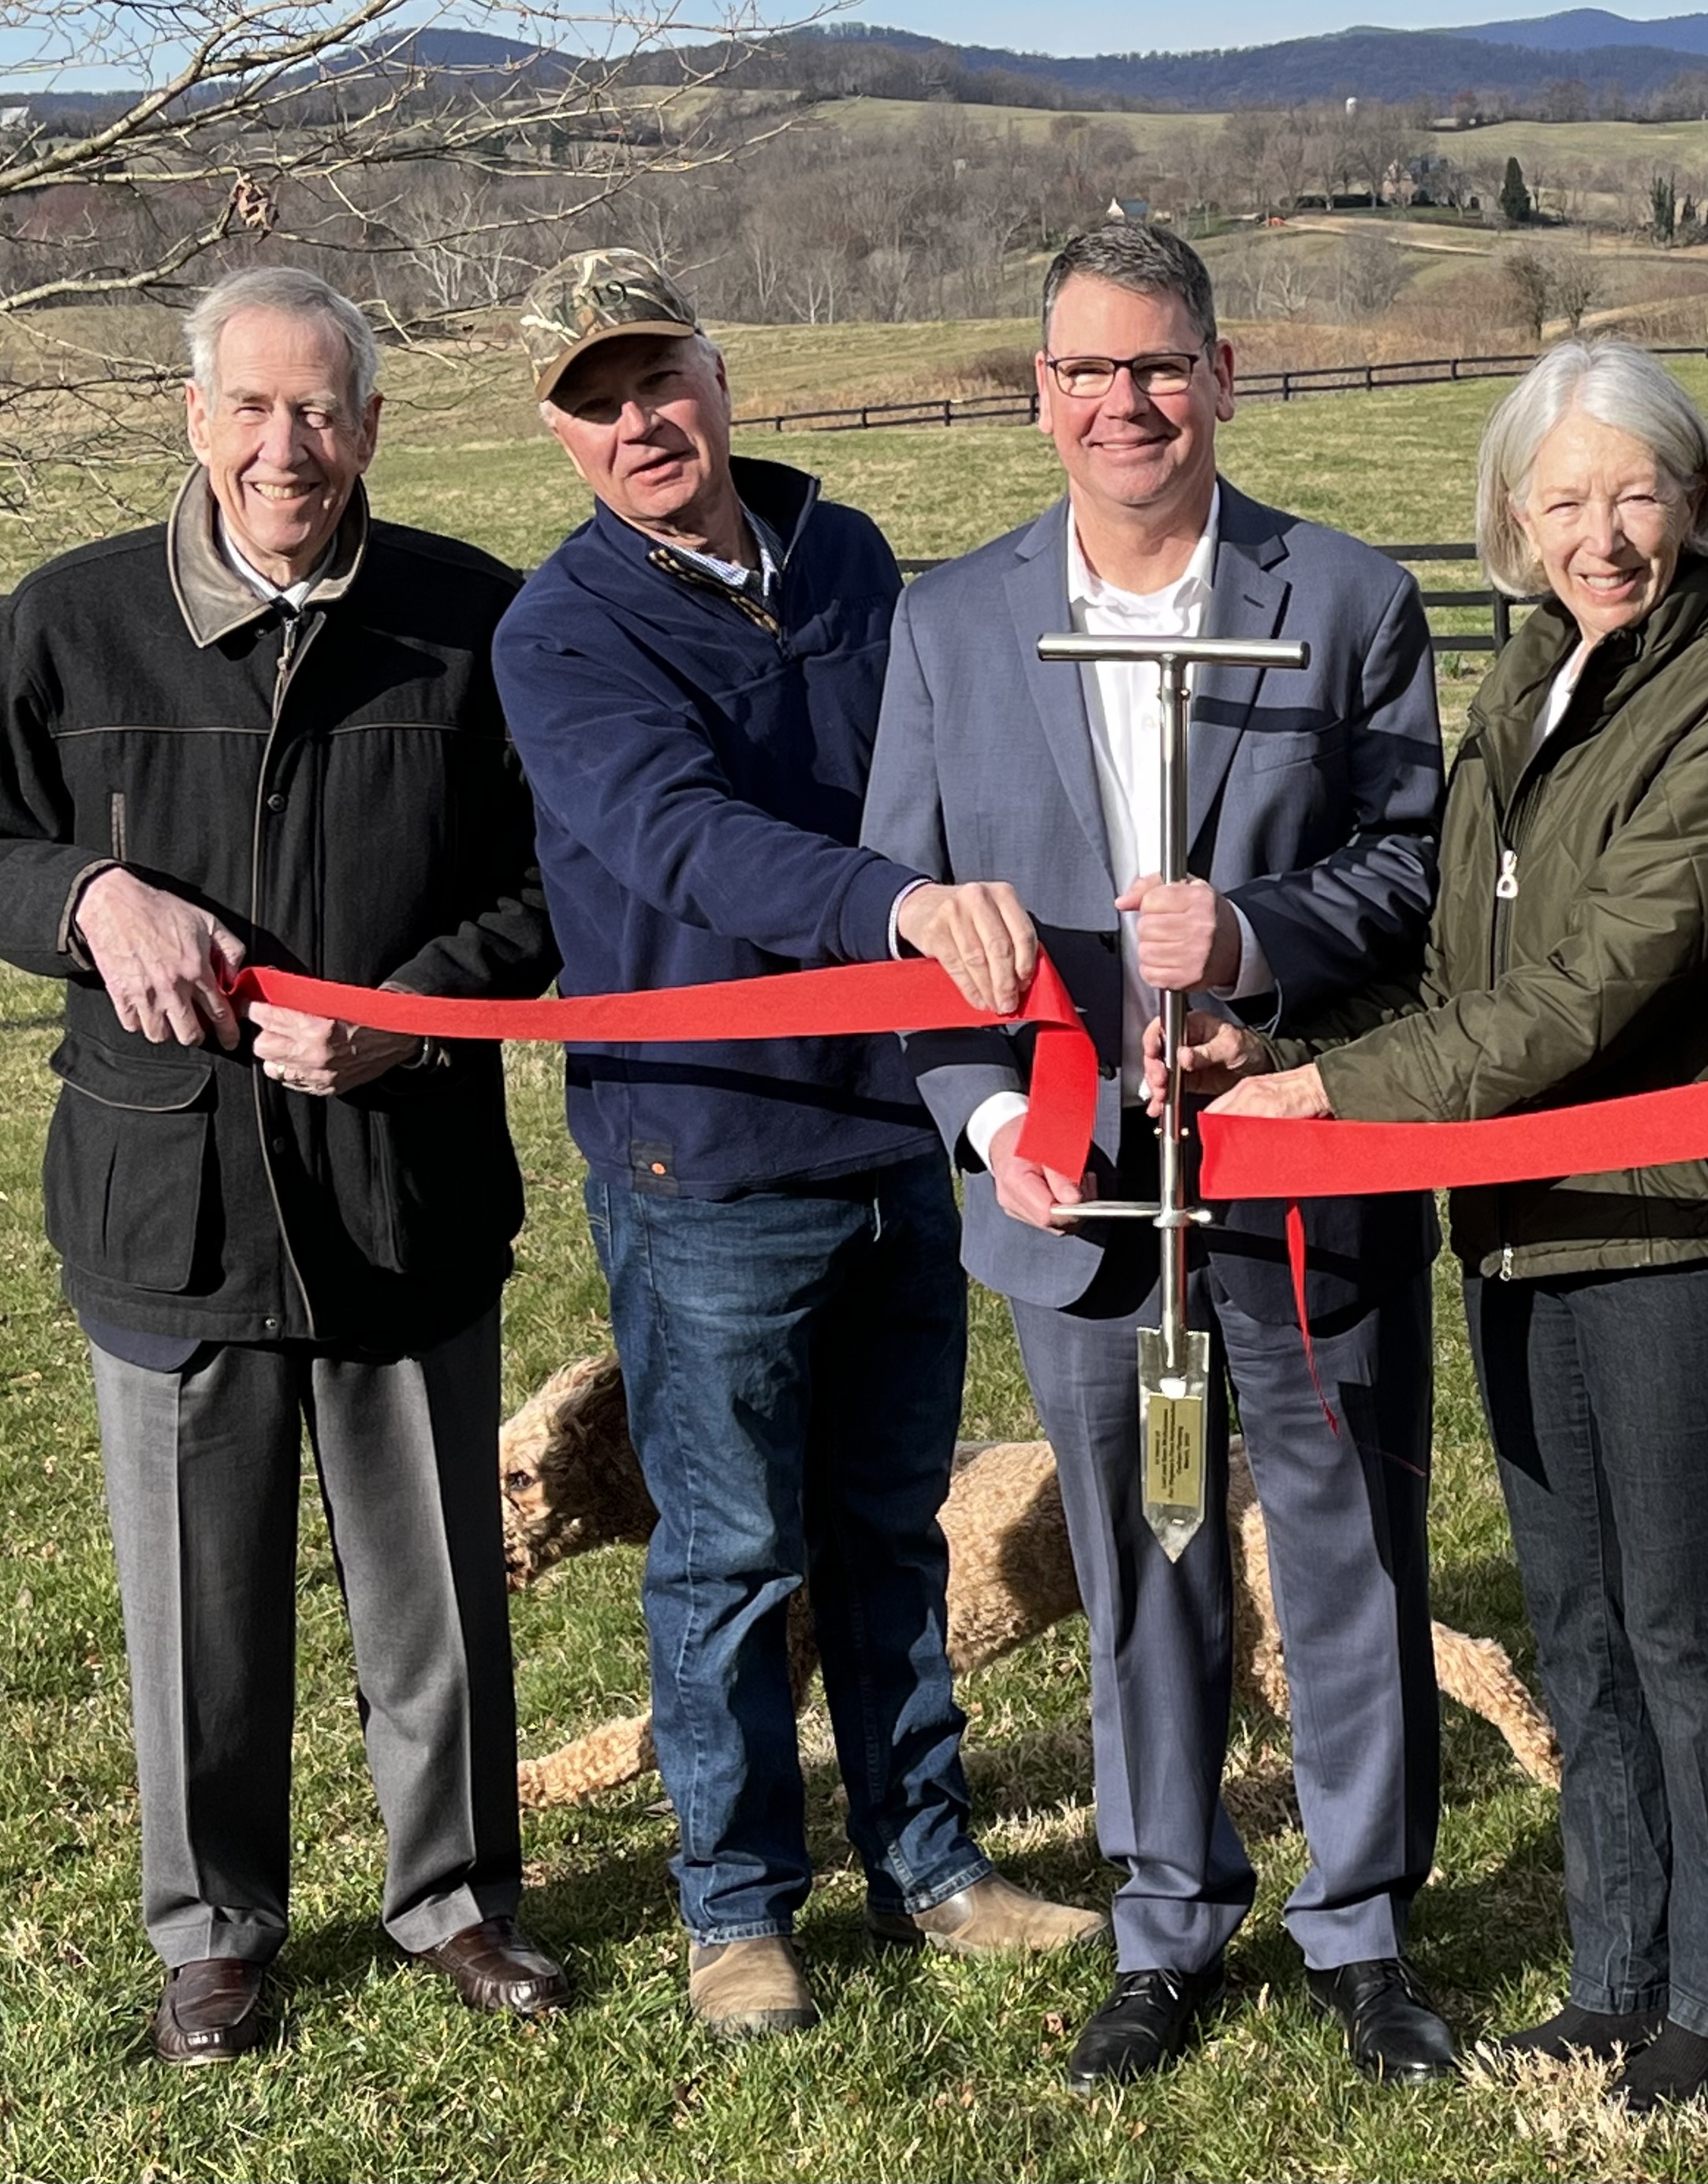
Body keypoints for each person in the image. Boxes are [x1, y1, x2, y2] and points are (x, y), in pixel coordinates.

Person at [1188, 334, 1708, 2113]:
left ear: (1697, 501)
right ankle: (1617, 1966)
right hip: (1528, 1221)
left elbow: (1595, 989)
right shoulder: (1531, 687)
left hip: (1688, 1229)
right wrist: (1285, 1041)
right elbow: (1461, 960)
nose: (1603, 533)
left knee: (1686, 1616)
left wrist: (1334, 1100)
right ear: (1513, 520)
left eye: (1636, 494)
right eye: (1565, 501)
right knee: (1578, 1622)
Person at [860, 222, 1451, 2090]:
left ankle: (1361, 1923)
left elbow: (1414, 867)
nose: (1127, 401)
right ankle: (1166, 1910)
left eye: (1161, 363)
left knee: (1347, 1550)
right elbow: (915, 919)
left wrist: (1259, 945)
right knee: (1141, 1556)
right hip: (1081, 1213)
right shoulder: (951, 624)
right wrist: (989, 1122)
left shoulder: (1344, 598)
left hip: (1291, 1187)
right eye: (1089, 369)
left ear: (1223, 372)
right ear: (1040, 391)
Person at [491, 249, 1101, 2040]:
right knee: (733, 1549)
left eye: (658, 378)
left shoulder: (840, 558)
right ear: (559, 431)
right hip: (709, 1157)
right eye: (596, 402)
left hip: (901, 1118)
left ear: (720, 372)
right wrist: (899, 907)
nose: (639, 423)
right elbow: (679, 840)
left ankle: (934, 1858)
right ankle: (737, 1906)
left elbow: (938, 772)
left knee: (891, 1518)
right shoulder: (565, 633)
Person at [0, 267, 568, 2062]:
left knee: (436, 1589)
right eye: (250, 407)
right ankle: (216, 1926)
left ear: (375, 426)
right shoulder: (71, 621)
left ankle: (460, 1892)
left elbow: (553, 886)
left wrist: (415, 1013)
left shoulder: (473, 623)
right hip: (167, 1193)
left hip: (403, 1176)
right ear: (194, 416)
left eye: (320, 409)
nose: (285, 445)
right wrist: (86, 895)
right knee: (198, 1599)